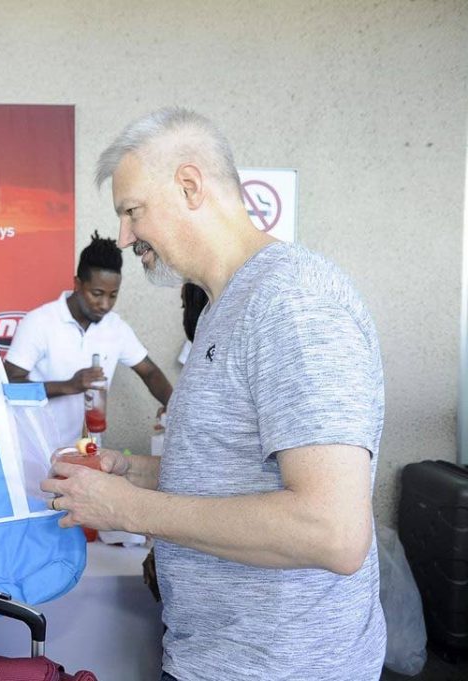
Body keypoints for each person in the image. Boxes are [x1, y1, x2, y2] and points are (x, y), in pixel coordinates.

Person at [42, 108, 385, 681]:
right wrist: (128, 470)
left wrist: (128, 508)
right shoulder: (225, 308)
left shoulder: (294, 302)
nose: (125, 237)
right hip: (216, 657)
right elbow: (234, 471)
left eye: (132, 212)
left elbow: (333, 531)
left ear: (189, 186)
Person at [3, 231, 172, 447]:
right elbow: (11, 385)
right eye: (97, 293)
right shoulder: (39, 322)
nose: (105, 304)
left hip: (88, 449)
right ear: (77, 284)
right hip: (38, 449)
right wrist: (69, 386)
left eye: (113, 295)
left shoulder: (115, 327)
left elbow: (150, 373)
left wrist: (177, 409)